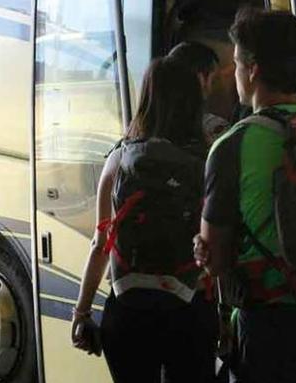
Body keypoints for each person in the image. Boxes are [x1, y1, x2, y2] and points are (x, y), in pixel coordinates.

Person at [194, 8, 296, 383]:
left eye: (235, 64)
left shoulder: (235, 143)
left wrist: (202, 247)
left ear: (253, 70)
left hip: (270, 322)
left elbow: (214, 257)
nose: (233, 75)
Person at [71, 57, 217, 383]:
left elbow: (100, 244)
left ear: (147, 97)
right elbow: (215, 246)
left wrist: (81, 313)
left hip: (128, 310)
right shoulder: (208, 161)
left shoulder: (119, 158)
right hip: (189, 309)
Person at [168, 41, 231, 143]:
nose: (213, 89)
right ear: (201, 79)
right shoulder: (216, 130)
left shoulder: (144, 128)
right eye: (215, 79)